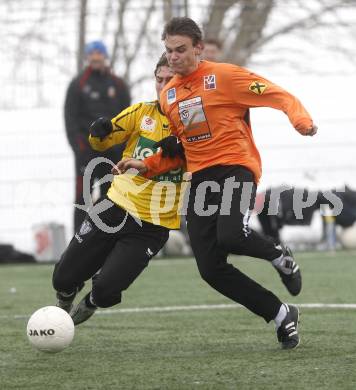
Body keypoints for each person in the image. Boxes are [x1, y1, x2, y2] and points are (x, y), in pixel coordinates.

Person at [116, 17, 318, 350]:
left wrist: (301, 120)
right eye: (168, 51)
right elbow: (185, 146)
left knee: (231, 234)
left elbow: (276, 94)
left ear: (198, 47)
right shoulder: (170, 95)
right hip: (200, 178)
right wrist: (147, 164)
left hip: (236, 167)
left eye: (180, 50)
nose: (173, 57)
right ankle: (281, 314)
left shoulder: (223, 76)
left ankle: (279, 255)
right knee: (210, 269)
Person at [53, 55, 183, 325]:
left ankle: (92, 302)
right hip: (113, 207)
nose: (163, 85)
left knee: (106, 290)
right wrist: (98, 133)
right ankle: (64, 300)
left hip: (152, 224)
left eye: (170, 79)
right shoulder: (141, 112)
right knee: (63, 277)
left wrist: (181, 154)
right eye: (159, 79)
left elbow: (208, 158)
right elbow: (103, 141)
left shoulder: (195, 125)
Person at [64, 40, 131, 232]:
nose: (95, 58)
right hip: (86, 152)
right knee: (82, 196)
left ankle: (110, 240)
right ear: (87, 57)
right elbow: (70, 120)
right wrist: (80, 149)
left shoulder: (118, 85)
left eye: (99, 54)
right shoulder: (78, 85)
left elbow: (128, 117)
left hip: (113, 152)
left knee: (112, 196)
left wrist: (121, 148)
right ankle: (78, 242)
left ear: (105, 56)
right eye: (91, 54)